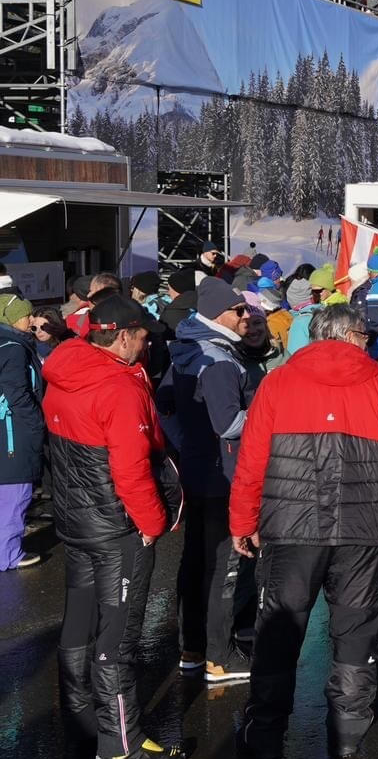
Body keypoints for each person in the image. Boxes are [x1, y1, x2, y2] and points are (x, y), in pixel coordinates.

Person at [229, 305, 378, 759]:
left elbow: (251, 461)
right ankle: (349, 730)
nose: (368, 342)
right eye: (364, 336)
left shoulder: (278, 382)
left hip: (291, 527)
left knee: (280, 626)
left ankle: (265, 732)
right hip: (361, 527)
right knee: (355, 624)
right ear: (350, 336)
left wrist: (242, 522)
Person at [44, 296, 185, 759]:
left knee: (79, 627)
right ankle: (121, 746)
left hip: (77, 520)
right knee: (117, 638)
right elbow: (129, 469)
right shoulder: (117, 387)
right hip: (115, 528)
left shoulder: (65, 371)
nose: (148, 341)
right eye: (143, 334)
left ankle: (85, 727)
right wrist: (151, 524)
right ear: (122, 335)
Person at [157, 276, 258, 683]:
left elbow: (163, 405)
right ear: (220, 314)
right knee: (223, 566)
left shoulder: (185, 347)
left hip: (198, 470)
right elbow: (229, 422)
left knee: (195, 560)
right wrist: (268, 413)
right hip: (223, 476)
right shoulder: (217, 359)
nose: (246, 315)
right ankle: (220, 657)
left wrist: (186, 445)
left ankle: (193, 648)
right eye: (239, 310)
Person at [0, 292, 43, 571]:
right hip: (14, 430)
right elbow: (18, 392)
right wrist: (37, 423)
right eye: (27, 315)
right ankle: (8, 555)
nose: (32, 321)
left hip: (5, 429)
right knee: (16, 492)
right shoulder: (13, 348)